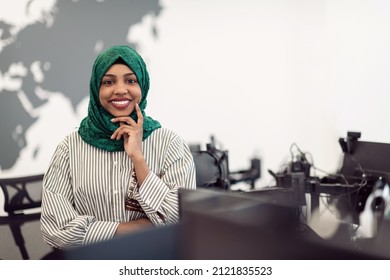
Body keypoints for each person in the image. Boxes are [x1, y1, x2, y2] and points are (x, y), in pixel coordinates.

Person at [40, 45, 196, 249]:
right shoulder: (69, 149)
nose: (120, 89)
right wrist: (130, 230)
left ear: (143, 86)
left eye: (131, 80)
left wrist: (139, 160)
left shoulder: (170, 145)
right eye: (108, 82)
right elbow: (55, 230)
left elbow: (181, 223)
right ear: (97, 87)